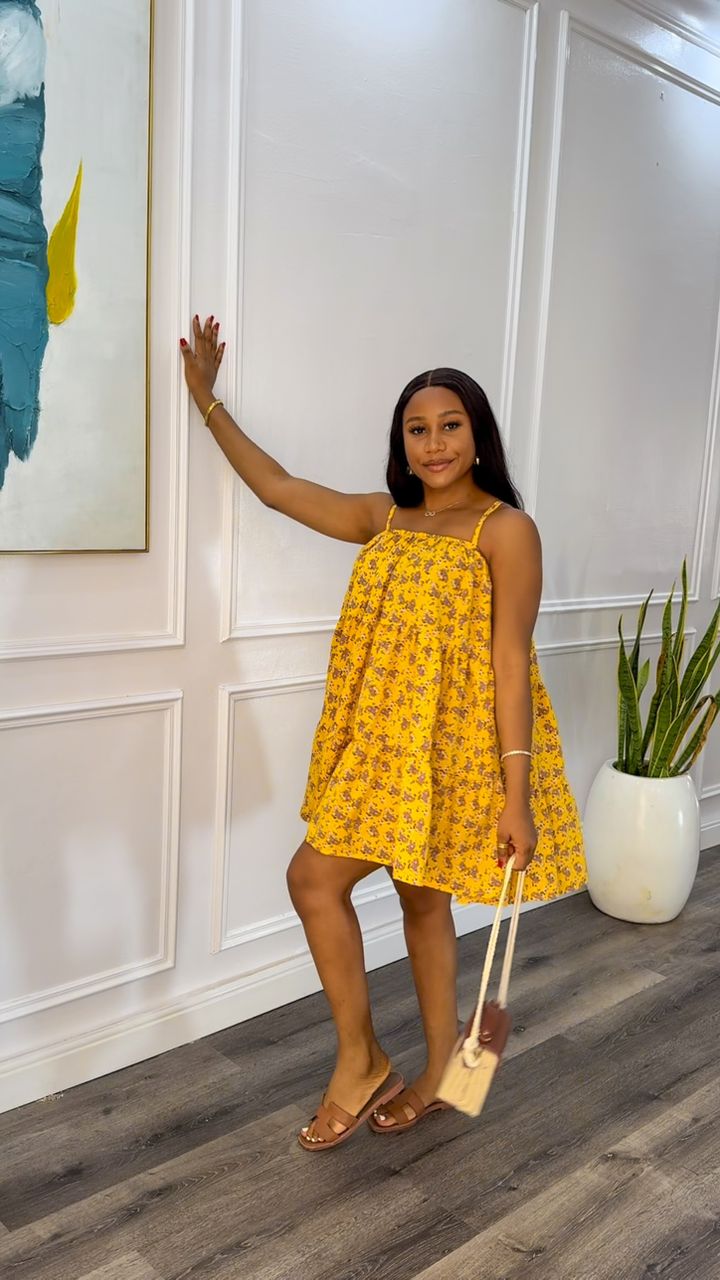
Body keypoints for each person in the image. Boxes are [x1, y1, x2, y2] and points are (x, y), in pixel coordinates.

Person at [180, 316, 587, 1150]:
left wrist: (517, 797)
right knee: (339, 884)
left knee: (401, 894)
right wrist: (206, 401)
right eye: (417, 429)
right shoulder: (385, 518)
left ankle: (422, 1071)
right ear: (401, 443)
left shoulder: (505, 530)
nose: (434, 444)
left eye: (450, 426)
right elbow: (278, 488)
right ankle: (373, 1060)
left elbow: (512, 662)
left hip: (457, 750)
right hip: (381, 745)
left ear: (477, 436)